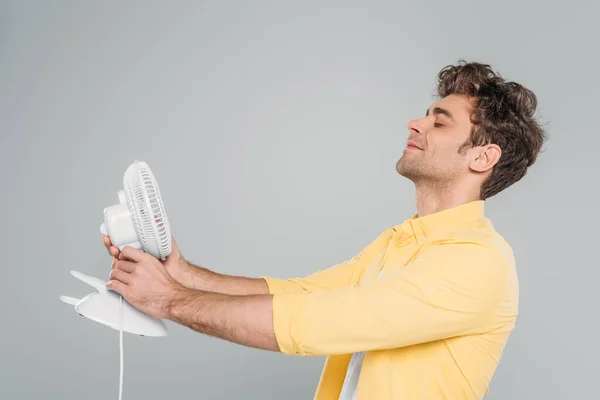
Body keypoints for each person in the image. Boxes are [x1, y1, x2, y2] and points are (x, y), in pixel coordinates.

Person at [103, 60, 547, 400]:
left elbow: (313, 324)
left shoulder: (476, 261)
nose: (416, 123)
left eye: (440, 120)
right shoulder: (399, 243)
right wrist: (179, 272)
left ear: (482, 157)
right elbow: (301, 295)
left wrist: (167, 299)